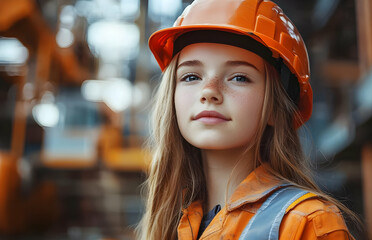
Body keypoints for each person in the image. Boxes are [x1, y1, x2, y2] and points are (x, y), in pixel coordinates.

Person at [138, 0, 357, 239]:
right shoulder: (175, 224)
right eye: (191, 76)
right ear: (171, 96)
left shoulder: (309, 225)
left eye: (239, 77)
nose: (209, 91)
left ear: (275, 108)